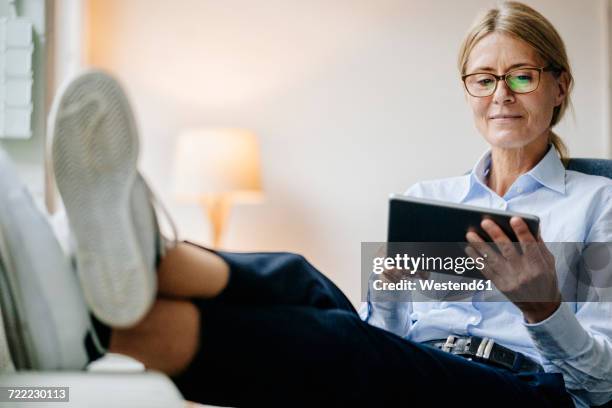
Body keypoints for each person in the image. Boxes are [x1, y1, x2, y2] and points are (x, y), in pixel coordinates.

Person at [2, 1, 611, 407]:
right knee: (301, 279)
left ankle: (97, 325)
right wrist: (389, 297)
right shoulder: (432, 200)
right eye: (483, 78)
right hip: (420, 367)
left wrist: (544, 308)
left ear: (559, 86)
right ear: (467, 90)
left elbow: (601, 385)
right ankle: (143, 268)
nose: (500, 94)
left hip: (527, 389)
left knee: (337, 344)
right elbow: (383, 336)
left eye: (522, 76)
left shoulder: (598, 204)